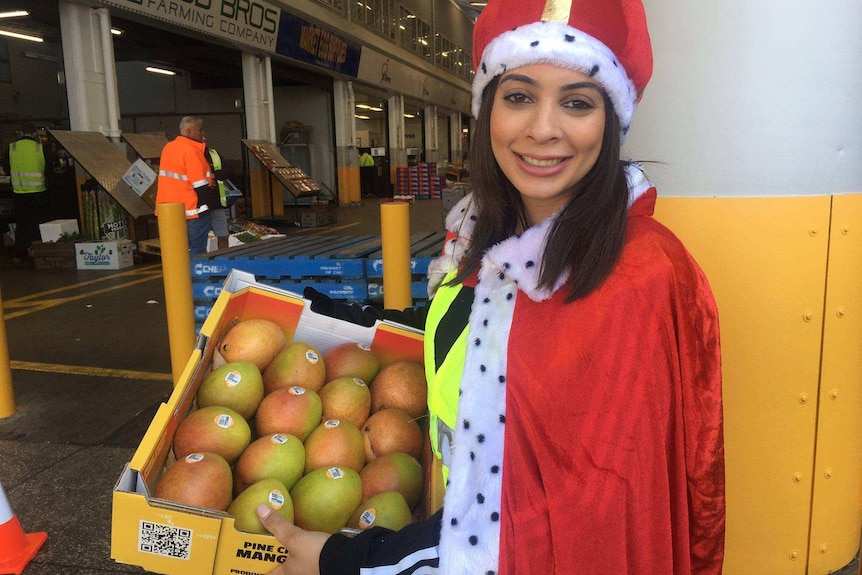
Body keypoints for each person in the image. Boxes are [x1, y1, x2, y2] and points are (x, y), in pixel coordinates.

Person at [257, 1, 726, 574]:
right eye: (520, 96)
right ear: (488, 108)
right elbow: (481, 334)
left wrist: (350, 561)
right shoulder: (498, 232)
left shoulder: (632, 282)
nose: (543, 128)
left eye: (576, 102)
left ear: (611, 120)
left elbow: (557, 525)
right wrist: (333, 319)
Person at [155, 116, 220, 255]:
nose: (203, 133)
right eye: (200, 130)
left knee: (176, 252)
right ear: (189, 132)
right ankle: (197, 277)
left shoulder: (169, 148)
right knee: (197, 250)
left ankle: (179, 276)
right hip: (194, 210)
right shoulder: (192, 151)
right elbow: (199, 184)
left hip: (171, 211)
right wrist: (210, 204)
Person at [4, 124, 49, 264]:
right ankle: (36, 252)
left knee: (22, 224)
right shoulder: (40, 148)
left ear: (21, 132)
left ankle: (19, 253)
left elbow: (6, 169)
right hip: (38, 192)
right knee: (37, 223)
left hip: (19, 193)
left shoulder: (11, 148)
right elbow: (48, 168)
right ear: (35, 133)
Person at [204, 141, 230, 250]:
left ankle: (223, 260)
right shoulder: (189, 155)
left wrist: (214, 175)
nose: (203, 138)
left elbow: (229, 170)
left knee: (223, 235)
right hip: (200, 206)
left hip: (216, 204)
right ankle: (201, 262)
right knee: (200, 238)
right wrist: (207, 179)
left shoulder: (213, 154)